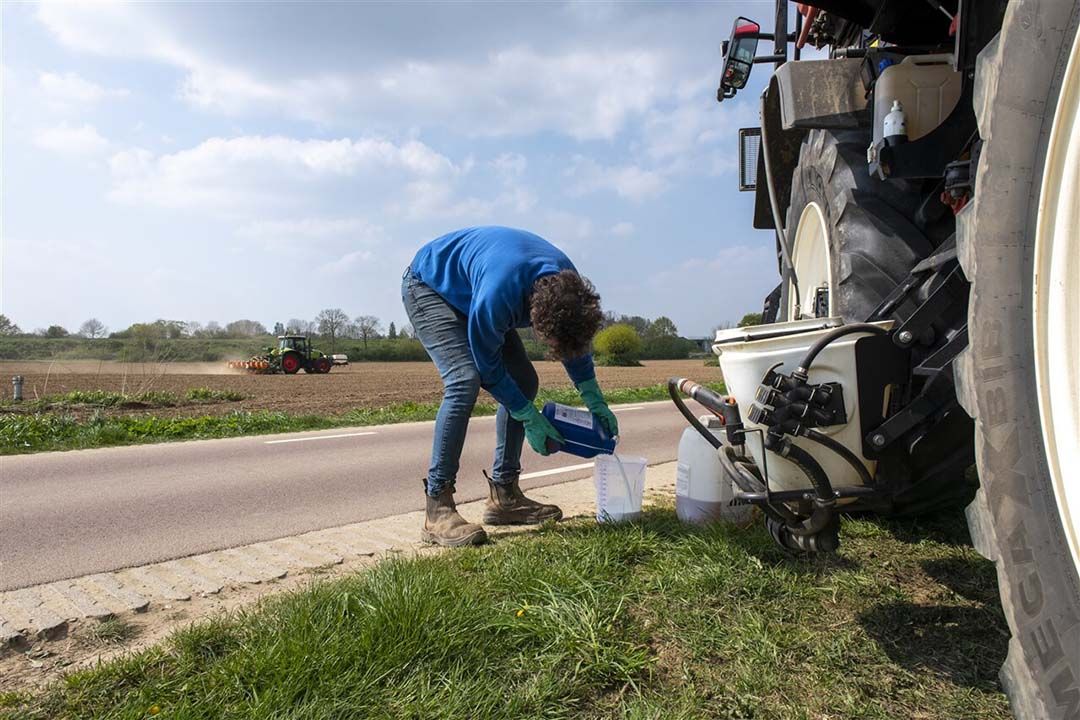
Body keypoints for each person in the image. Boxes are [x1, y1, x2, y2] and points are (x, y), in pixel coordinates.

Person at [402, 226, 619, 547]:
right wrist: (527, 416)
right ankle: (438, 506)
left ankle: (505, 496)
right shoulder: (499, 294)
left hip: (478, 286)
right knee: (464, 381)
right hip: (429, 286)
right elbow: (488, 365)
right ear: (537, 317)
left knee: (525, 380)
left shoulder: (568, 286)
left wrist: (594, 398)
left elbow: (573, 342)